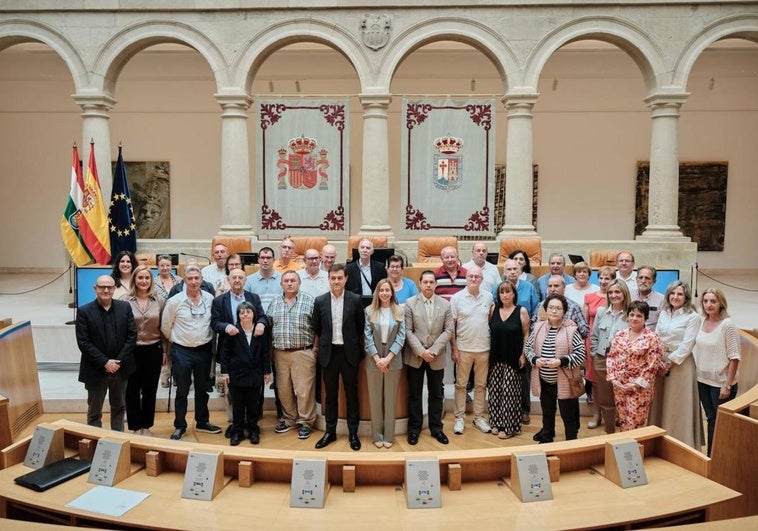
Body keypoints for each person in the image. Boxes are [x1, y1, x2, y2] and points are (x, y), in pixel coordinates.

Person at [161, 265, 222, 440]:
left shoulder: (210, 299)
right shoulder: (175, 301)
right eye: (190, 279)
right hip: (182, 351)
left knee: (203, 389)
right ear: (184, 281)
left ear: (202, 280)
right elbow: (166, 326)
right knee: (182, 390)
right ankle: (180, 425)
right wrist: (177, 340)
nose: (194, 282)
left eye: (197, 278)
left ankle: (203, 421)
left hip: (203, 350)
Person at [312, 264, 365, 451]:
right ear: (328, 279)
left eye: (339, 278)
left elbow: (360, 328)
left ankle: (353, 434)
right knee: (331, 396)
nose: (336, 281)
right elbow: (317, 327)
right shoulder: (320, 301)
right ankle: (330, 432)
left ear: (346, 279)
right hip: (329, 354)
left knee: (352, 395)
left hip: (349, 353)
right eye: (333, 278)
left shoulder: (356, 300)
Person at [211, 267, 267, 438]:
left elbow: (262, 316)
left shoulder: (253, 298)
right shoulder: (220, 300)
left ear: (245, 280)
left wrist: (261, 324)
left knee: (252, 396)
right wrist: (226, 327)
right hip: (231, 351)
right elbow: (214, 323)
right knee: (232, 395)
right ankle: (235, 425)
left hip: (253, 351)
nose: (237, 280)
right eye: (233, 277)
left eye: (240, 277)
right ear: (228, 279)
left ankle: (252, 425)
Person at [75, 275, 136, 431]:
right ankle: (95, 443)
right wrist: (105, 362)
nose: (106, 290)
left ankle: (117, 442)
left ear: (114, 288)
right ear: (95, 288)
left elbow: (132, 336)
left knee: (119, 408)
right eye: (102, 287)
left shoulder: (125, 308)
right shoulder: (84, 311)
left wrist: (117, 362)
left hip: (120, 369)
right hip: (96, 370)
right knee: (94, 412)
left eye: (109, 287)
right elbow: (84, 342)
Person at [525, 294, 585, 443]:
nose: (554, 311)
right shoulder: (538, 327)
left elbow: (580, 354)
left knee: (568, 416)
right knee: (547, 413)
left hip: (565, 382)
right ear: (546, 309)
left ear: (564, 311)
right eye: (551, 307)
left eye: (558, 308)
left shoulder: (571, 330)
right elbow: (528, 348)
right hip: (544, 381)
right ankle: (547, 438)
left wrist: (561, 361)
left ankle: (571, 443)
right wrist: (534, 359)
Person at [404, 271, 453, 445]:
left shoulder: (445, 305)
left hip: (436, 356)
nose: (428, 285)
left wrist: (433, 351)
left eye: (432, 282)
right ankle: (414, 430)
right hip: (415, 356)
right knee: (415, 394)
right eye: (425, 282)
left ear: (436, 284)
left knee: (436, 394)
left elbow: (448, 330)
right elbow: (408, 331)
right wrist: (421, 351)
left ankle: (436, 429)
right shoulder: (410, 304)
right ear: (420, 283)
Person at [266, 271, 317, 440]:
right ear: (281, 284)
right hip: (280, 353)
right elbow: (270, 329)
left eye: (293, 280)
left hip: (302, 352)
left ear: (299, 283)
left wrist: (314, 350)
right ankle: (289, 419)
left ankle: (305, 422)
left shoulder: (309, 301)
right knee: (284, 390)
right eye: (286, 281)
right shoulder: (274, 303)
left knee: (304, 390)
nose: (289, 283)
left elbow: (319, 328)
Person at [653, 280, 702, 449]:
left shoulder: (693, 316)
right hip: (661, 363)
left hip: (680, 365)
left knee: (678, 404)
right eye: (672, 293)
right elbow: (656, 336)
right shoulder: (664, 313)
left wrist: (669, 363)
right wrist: (658, 360)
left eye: (680, 294)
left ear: (686, 297)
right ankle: (659, 440)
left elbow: (687, 345)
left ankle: (680, 444)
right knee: (661, 403)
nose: (675, 297)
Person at [693, 288, 741, 456]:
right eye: (705, 301)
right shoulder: (700, 321)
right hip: (702, 380)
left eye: (713, 301)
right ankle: (712, 456)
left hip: (721, 383)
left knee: (719, 421)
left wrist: (727, 385)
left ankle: (716, 457)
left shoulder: (727, 325)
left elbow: (735, 357)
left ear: (721, 303)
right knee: (711, 418)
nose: (708, 304)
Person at [120, 265, 165, 436]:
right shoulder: (124, 300)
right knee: (131, 389)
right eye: (140, 278)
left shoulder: (159, 300)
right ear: (134, 279)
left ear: (151, 280)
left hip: (153, 350)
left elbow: (163, 328)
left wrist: (166, 352)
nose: (144, 281)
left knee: (149, 389)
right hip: (131, 351)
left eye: (147, 278)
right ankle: (135, 426)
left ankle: (146, 425)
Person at [219, 301, 272, 445]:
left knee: (253, 405)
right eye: (242, 312)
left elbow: (265, 353)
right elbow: (225, 354)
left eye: (248, 311)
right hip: (237, 375)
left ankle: (253, 430)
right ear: (238, 316)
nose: (245, 314)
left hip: (255, 375)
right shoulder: (232, 331)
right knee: (238, 405)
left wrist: (267, 371)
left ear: (254, 314)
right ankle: (238, 431)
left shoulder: (260, 331)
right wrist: (225, 372)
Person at [606, 301, 664, 431]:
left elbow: (652, 365)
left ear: (646, 318)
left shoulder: (652, 338)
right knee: (623, 422)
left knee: (634, 424)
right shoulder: (620, 335)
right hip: (619, 385)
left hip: (639, 388)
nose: (634, 318)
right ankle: (625, 450)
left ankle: (637, 449)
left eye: (639, 316)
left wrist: (635, 384)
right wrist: (614, 380)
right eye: (632, 314)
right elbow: (611, 358)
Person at [450, 265, 494, 435]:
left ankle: (478, 418)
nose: (474, 279)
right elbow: (452, 327)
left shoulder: (489, 297)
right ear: (466, 278)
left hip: (484, 348)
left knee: (481, 385)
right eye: (471, 276)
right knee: (461, 385)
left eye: (477, 277)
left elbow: (490, 322)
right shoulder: (457, 298)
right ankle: (459, 418)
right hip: (463, 349)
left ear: (482, 279)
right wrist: (454, 348)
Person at [363, 278, 406, 448]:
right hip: (373, 358)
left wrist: (388, 358)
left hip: (393, 359)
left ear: (392, 292)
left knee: (390, 399)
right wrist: (377, 358)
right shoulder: (369, 311)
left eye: (387, 290)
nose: (384, 293)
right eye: (381, 290)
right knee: (375, 399)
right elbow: (367, 337)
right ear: (377, 293)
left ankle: (389, 435)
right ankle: (376, 436)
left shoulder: (399, 311)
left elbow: (401, 336)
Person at [499, 258, 539, 425]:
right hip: (503, 337)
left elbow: (536, 307)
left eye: (515, 268)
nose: (512, 272)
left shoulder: (528, 287)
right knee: (502, 376)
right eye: (509, 269)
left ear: (521, 269)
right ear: (504, 271)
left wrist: (532, 326)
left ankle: (524, 409)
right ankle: (505, 408)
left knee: (523, 375)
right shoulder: (498, 287)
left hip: (523, 335)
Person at [488, 280, 529, 439]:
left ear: (514, 294)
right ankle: (497, 422)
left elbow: (526, 334)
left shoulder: (521, 311)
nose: (505, 295)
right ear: (498, 295)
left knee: (510, 392)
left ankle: (509, 426)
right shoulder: (493, 309)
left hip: (514, 356)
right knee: (495, 391)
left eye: (508, 292)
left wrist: (523, 354)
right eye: (502, 292)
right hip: (496, 356)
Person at [589, 279, 631, 433]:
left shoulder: (630, 313)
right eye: (611, 292)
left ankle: (625, 433)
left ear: (624, 293)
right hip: (602, 359)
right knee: (606, 400)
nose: (614, 295)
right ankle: (610, 432)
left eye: (617, 292)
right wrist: (595, 354)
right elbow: (594, 336)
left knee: (622, 397)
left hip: (622, 362)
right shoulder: (601, 311)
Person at [582, 265, 615, 428]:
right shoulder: (589, 297)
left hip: (612, 343)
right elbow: (584, 322)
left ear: (613, 280)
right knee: (595, 380)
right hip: (593, 342)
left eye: (607, 278)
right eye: (601, 278)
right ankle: (597, 413)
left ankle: (613, 412)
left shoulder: (616, 297)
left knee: (612, 380)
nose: (603, 281)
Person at [534, 275, 590, 339]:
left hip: (567, 344)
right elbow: (532, 328)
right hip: (544, 344)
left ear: (564, 287)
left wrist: (573, 327)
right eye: (550, 286)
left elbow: (585, 332)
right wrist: (538, 323)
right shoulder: (541, 305)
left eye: (556, 286)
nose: (552, 289)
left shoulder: (574, 307)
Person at [243, 246, 283, 310]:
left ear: (274, 260)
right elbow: (246, 304)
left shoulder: (283, 279)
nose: (265, 261)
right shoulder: (248, 281)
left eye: (268, 258)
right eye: (262, 258)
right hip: (257, 318)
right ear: (258, 260)